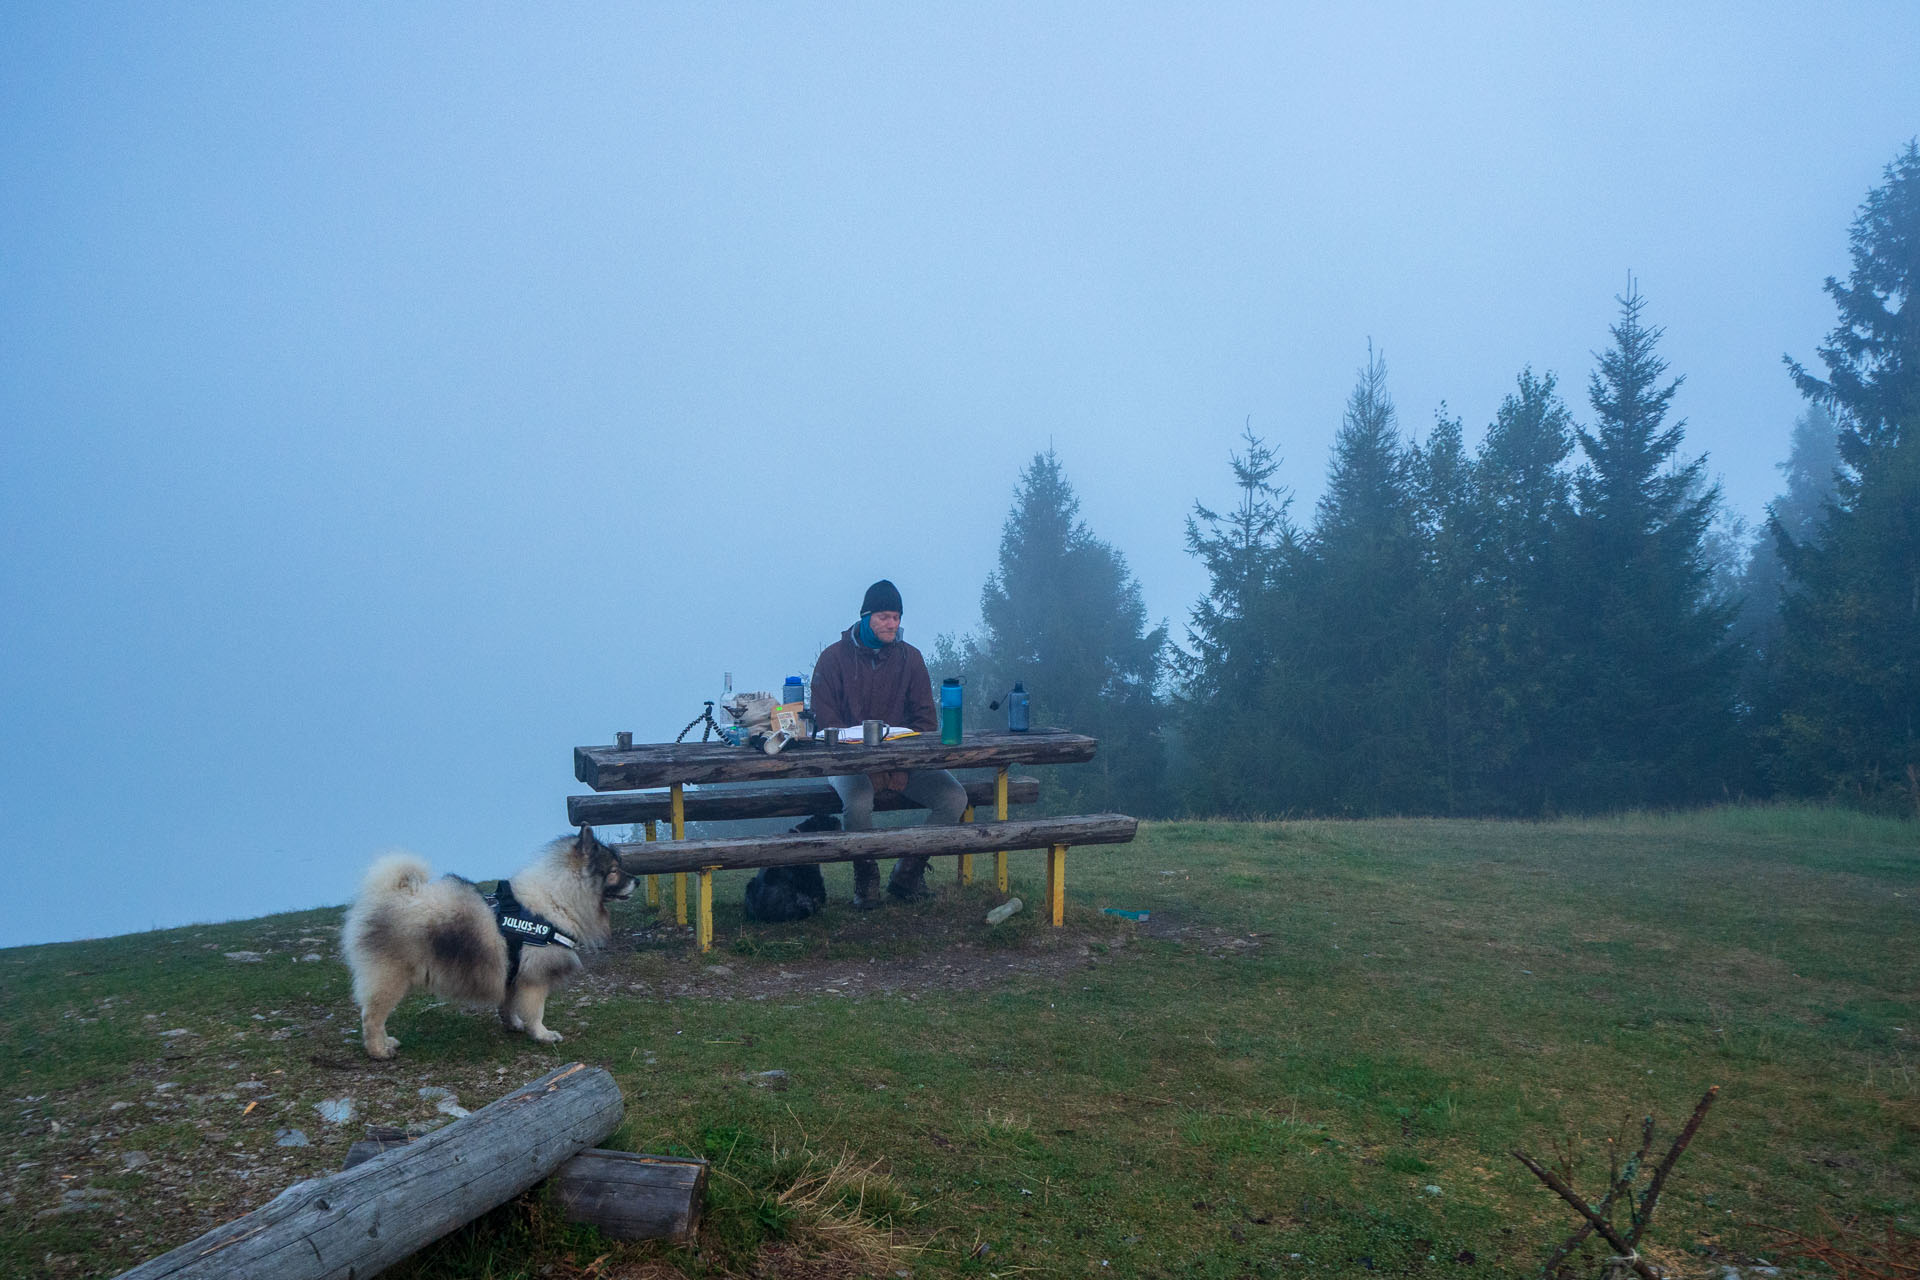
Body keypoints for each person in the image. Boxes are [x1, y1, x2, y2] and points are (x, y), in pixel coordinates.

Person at [809, 579, 968, 908]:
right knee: (858, 804)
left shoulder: (911, 659)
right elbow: (827, 725)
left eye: (896, 617)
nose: (891, 624)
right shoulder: (832, 659)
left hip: (905, 765)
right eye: (884, 616)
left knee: (954, 797)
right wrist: (869, 769)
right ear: (866, 616)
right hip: (846, 765)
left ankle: (909, 872)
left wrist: (903, 768)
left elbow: (925, 723)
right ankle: (865, 876)